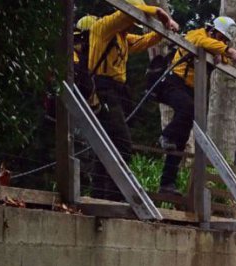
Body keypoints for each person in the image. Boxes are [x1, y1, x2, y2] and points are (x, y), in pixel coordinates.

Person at [76, 0, 179, 200]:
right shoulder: (103, 27)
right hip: (102, 88)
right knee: (122, 144)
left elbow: (145, 41)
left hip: (117, 92)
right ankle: (115, 196)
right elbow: (130, 12)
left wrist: (162, 31)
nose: (133, 26)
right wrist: (160, 13)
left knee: (107, 144)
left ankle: (101, 196)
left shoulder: (122, 37)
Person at [155, 17, 236, 195]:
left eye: (225, 40)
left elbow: (224, 59)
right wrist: (228, 50)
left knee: (181, 139)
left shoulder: (215, 46)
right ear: (213, 31)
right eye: (220, 37)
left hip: (191, 91)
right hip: (174, 82)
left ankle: (167, 184)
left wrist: (225, 55)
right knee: (187, 110)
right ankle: (165, 136)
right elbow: (199, 41)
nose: (221, 42)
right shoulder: (198, 34)